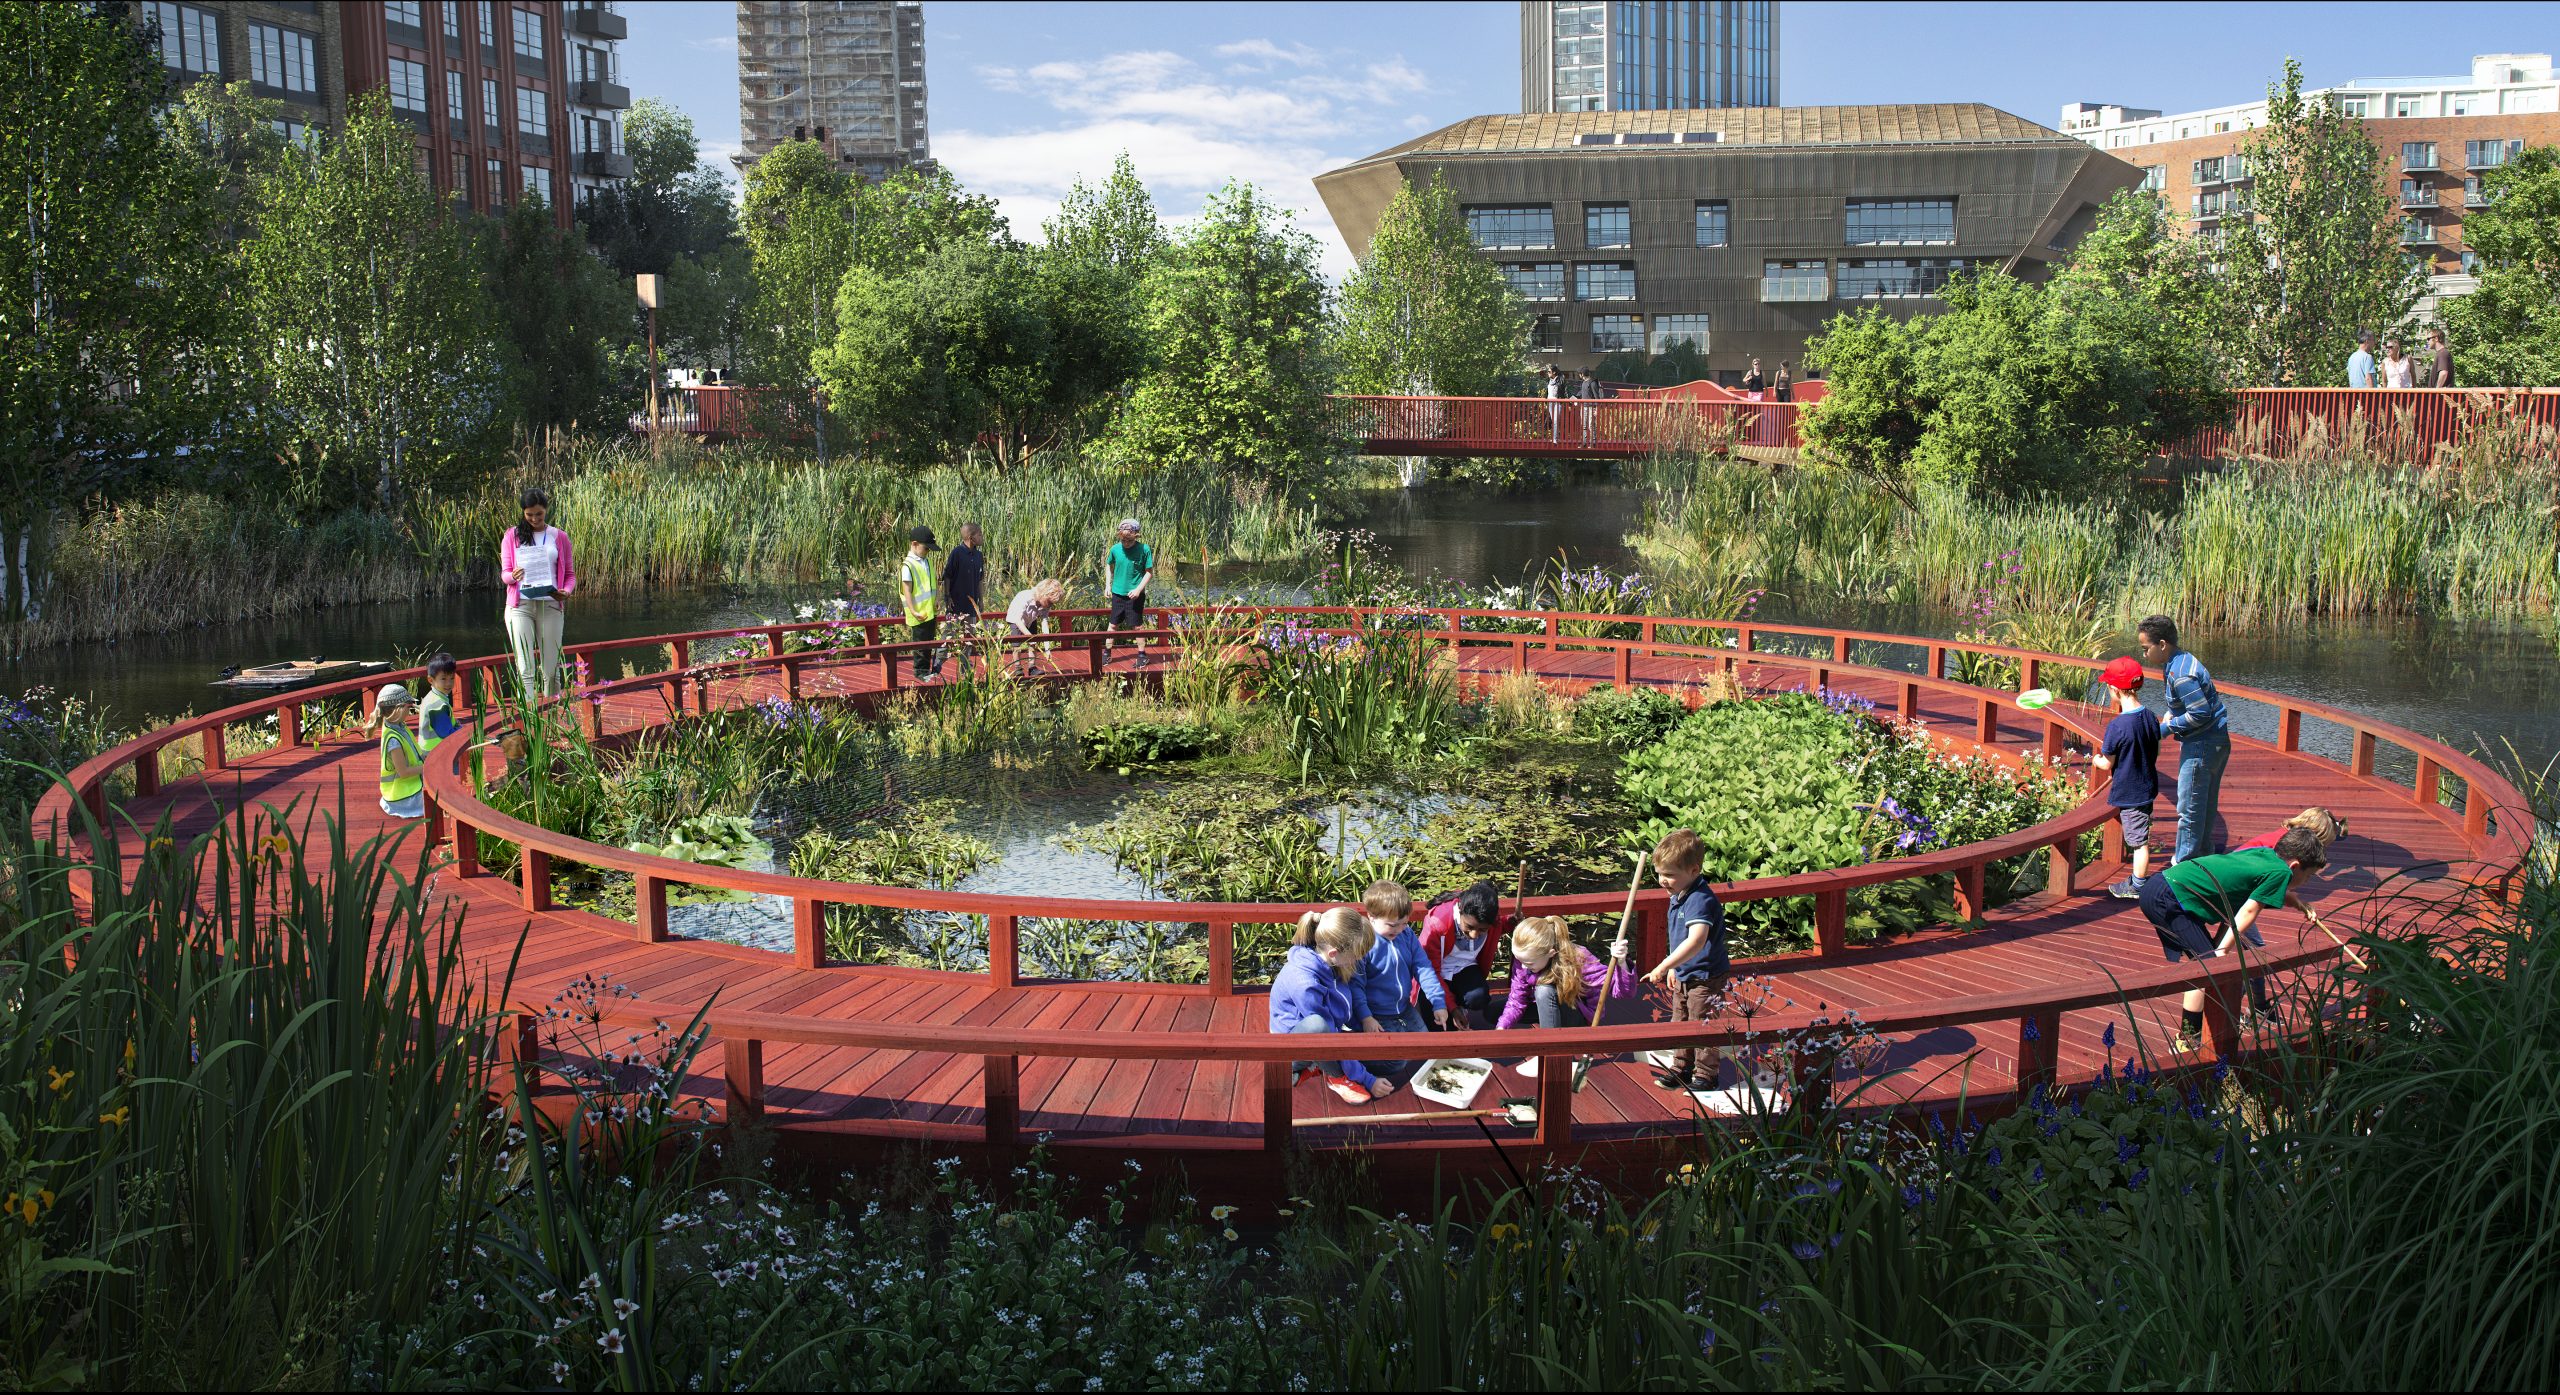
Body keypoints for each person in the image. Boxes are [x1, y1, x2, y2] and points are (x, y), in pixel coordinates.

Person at [2137, 828, 2327, 1051]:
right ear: (2295, 866)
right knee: (2206, 966)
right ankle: (2185, 1041)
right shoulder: (2281, 873)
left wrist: (2299, 904)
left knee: (2205, 963)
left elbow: (2254, 888)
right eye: (2310, 875)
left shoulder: (2266, 855)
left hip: (2164, 885)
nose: (2308, 881)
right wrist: (2223, 950)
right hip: (2168, 897)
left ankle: (2195, 1033)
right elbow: (2249, 910)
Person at [1270, 907, 1394, 1105]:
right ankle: (1335, 1077)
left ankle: (1316, 1066)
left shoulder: (1330, 958)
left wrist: (1364, 1020)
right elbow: (1328, 1036)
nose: (1359, 959)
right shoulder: (1305, 984)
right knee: (1318, 1027)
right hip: (1291, 1045)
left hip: (1328, 1027)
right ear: (1334, 953)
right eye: (1357, 955)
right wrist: (1367, 1079)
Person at [1640, 829, 1731, 1091]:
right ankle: (1681, 1068)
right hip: (1686, 971)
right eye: (1659, 873)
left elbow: (1696, 941)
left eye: (1669, 875)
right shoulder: (1680, 894)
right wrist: (1676, 967)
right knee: (1680, 1020)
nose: (1662, 880)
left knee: (1702, 1022)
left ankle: (1706, 1074)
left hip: (1706, 975)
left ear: (1694, 870)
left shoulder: (1699, 900)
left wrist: (1664, 964)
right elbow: (1681, 940)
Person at [2136, 615, 2229, 866]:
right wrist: (2173, 715)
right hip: (2217, 739)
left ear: (2162, 644)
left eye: (2146, 649)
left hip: (2202, 745)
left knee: (2188, 808)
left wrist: (2165, 729)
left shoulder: (2180, 675)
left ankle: (2185, 865)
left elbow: (2200, 713)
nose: (2144, 655)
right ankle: (2203, 856)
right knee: (2205, 803)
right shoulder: (2182, 659)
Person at [1496, 916, 1634, 1078]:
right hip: (1545, 1003)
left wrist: (1622, 962)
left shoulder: (1579, 959)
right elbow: (1517, 999)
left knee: (1544, 991)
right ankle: (1548, 1025)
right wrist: (1501, 1028)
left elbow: (1623, 992)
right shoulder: (1525, 959)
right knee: (1493, 1012)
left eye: (1529, 963)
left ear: (1551, 953)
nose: (1523, 966)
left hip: (1577, 1015)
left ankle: (1548, 1054)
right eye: (1520, 960)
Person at [1354, 881, 1449, 1083]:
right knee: (1396, 1063)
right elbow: (1356, 985)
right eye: (1392, 924)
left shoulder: (1406, 935)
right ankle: (1353, 1057)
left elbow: (1423, 967)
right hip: (1376, 1013)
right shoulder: (1363, 944)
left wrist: (1438, 1002)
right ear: (1371, 917)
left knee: (1425, 1046)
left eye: (1404, 923)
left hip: (1404, 1007)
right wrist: (1366, 1017)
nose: (1398, 929)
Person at [2092, 657, 2165, 900]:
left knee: (2138, 842)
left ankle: (2138, 885)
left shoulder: (2118, 726)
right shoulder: (2150, 717)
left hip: (2130, 792)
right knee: (2140, 833)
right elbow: (2155, 747)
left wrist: (2095, 760)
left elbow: (2106, 763)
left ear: (2114, 689)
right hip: (2147, 786)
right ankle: (2138, 879)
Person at [500, 488, 576, 698]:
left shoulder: (558, 537)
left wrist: (566, 592)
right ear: (523, 512)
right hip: (520, 606)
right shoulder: (512, 536)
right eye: (529, 514)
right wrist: (513, 576)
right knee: (525, 667)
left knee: (551, 670)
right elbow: (504, 575)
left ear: (546, 510)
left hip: (550, 605)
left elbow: (570, 575)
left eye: (539, 514)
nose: (534, 518)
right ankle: (528, 717)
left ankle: (552, 716)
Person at [1418, 882, 1511, 1030]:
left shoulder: (1490, 920)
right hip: (1435, 974)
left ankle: (1459, 1005)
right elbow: (1430, 971)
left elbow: (1499, 926)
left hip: (1464, 968)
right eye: (1469, 927)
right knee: (1437, 1027)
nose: (1474, 935)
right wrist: (1453, 1008)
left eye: (1482, 930)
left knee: (1478, 997)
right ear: (1460, 910)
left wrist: (1511, 923)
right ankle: (1453, 1005)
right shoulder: (1437, 924)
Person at [372, 683, 426, 820]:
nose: (411, 710)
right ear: (399, 709)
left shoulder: (399, 727)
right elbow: (403, 772)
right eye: (409, 707)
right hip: (403, 796)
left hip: (413, 784)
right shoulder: (393, 740)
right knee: (443, 792)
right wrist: (428, 767)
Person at [1104, 518, 1154, 661]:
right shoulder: (1115, 549)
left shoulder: (1144, 549)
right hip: (1117, 593)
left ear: (1136, 536)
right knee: (1113, 624)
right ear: (1120, 536)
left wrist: (1138, 589)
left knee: (1137, 626)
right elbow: (1109, 565)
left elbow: (1149, 572)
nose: (1126, 544)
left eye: (1129, 541)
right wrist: (1108, 585)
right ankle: (1107, 654)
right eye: (1123, 541)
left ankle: (1142, 655)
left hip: (1135, 595)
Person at [896, 526, 941, 682]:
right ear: (914, 544)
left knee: (929, 642)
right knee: (920, 644)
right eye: (926, 548)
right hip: (918, 612)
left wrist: (936, 600)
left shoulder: (926, 561)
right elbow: (907, 590)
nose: (928, 551)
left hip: (929, 611)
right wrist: (913, 611)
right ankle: (920, 672)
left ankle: (927, 671)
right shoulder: (907, 565)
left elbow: (931, 584)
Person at [416, 653, 461, 754]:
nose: (449, 683)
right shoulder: (436, 705)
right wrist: (464, 732)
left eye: (452, 678)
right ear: (431, 680)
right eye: (443, 679)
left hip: (432, 751)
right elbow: (446, 733)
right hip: (436, 754)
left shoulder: (433, 697)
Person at [942, 523, 986, 626]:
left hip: (972, 606)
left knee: (970, 636)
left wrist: (981, 600)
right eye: (979, 534)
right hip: (956, 605)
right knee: (952, 636)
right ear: (971, 538)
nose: (982, 537)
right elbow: (947, 576)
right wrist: (947, 597)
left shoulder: (979, 556)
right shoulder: (957, 553)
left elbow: (980, 579)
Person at [1542, 365, 1564, 442]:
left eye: (1549, 372)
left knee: (1555, 420)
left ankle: (1555, 439)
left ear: (1554, 372)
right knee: (1553, 420)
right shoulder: (1548, 381)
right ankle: (1554, 437)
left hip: (1557, 402)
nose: (1548, 373)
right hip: (1550, 402)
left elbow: (1564, 392)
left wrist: (1570, 402)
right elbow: (1547, 393)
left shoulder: (1560, 380)